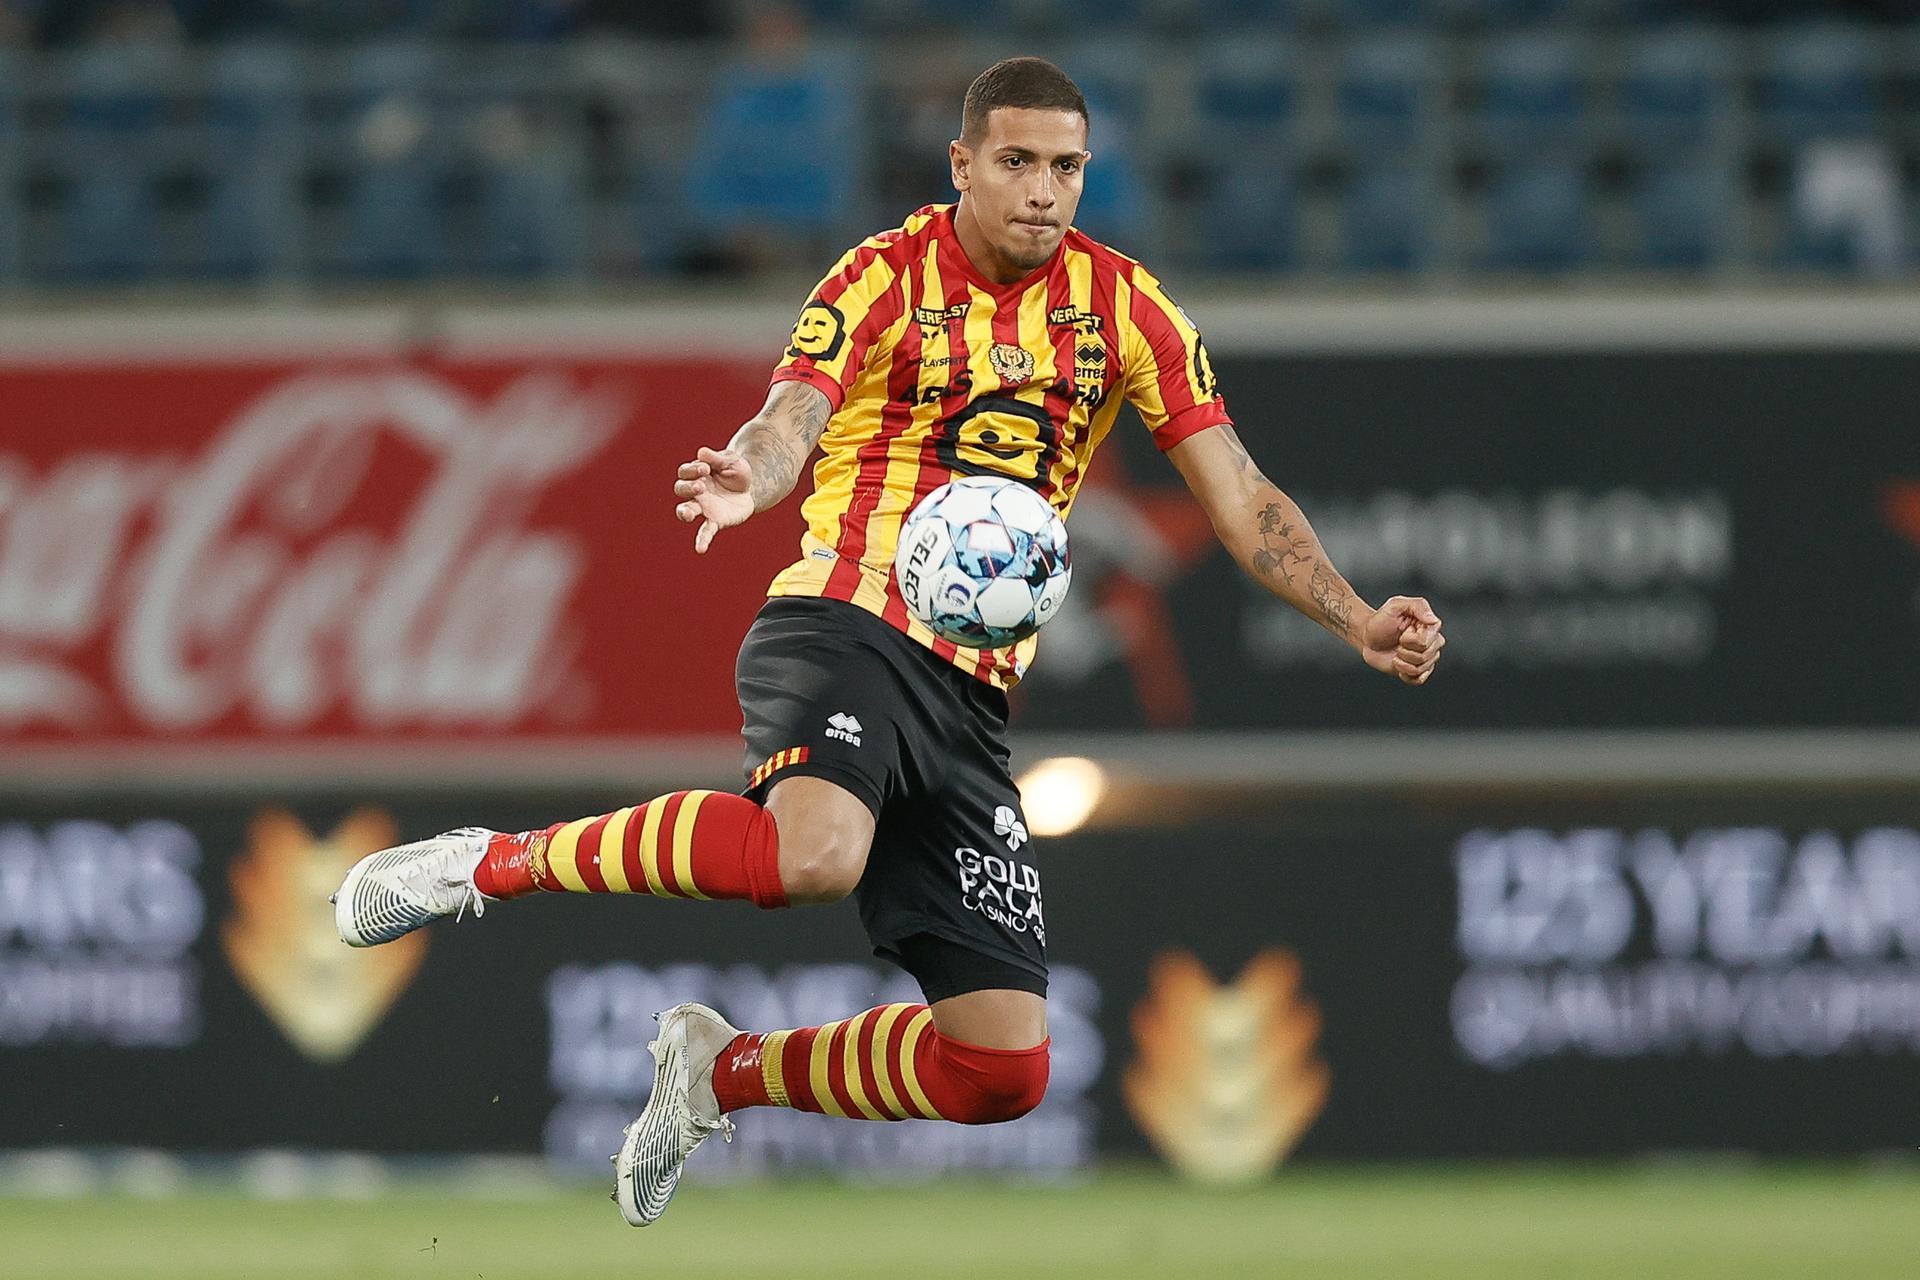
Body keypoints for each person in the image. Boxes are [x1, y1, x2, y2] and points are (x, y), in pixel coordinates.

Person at [330, 56, 1446, 1226]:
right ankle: (481, 863)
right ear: (961, 163)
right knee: (813, 854)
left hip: (971, 696)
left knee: (1001, 1068)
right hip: (847, 616)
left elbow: (1240, 493)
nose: (1043, 191)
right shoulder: (880, 274)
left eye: (1066, 166)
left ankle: (718, 1071)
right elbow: (791, 415)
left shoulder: (1128, 309)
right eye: (1016, 162)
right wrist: (747, 480)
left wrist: (1358, 615)